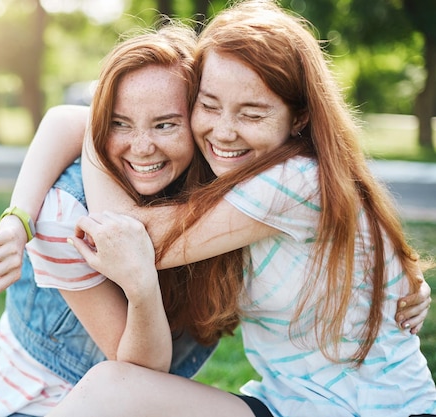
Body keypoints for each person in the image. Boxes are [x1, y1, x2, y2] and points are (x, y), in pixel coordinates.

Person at [37, 1, 436, 416]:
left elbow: (131, 236)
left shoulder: (298, 179)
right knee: (116, 389)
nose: (223, 133)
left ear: (299, 117)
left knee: (112, 389)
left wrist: (95, 135)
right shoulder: (235, 178)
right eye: (208, 106)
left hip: (373, 410)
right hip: (285, 404)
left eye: (252, 114)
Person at [0, 24, 219, 417]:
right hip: (48, 404)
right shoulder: (68, 214)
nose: (142, 147)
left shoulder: (213, 190)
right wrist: (17, 221)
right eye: (120, 123)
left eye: (166, 124)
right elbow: (136, 379)